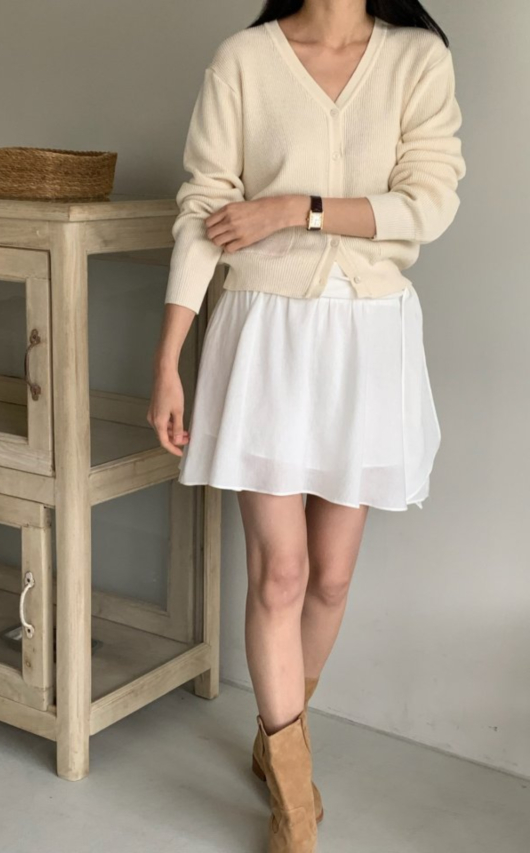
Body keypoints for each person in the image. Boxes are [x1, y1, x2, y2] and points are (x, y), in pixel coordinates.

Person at [147, 1, 466, 850]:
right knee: (281, 574)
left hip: (368, 337)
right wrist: (169, 357)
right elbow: (202, 210)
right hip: (264, 334)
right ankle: (294, 807)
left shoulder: (417, 60)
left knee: (330, 577)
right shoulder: (245, 59)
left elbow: (428, 205)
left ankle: (275, 737)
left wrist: (297, 208)